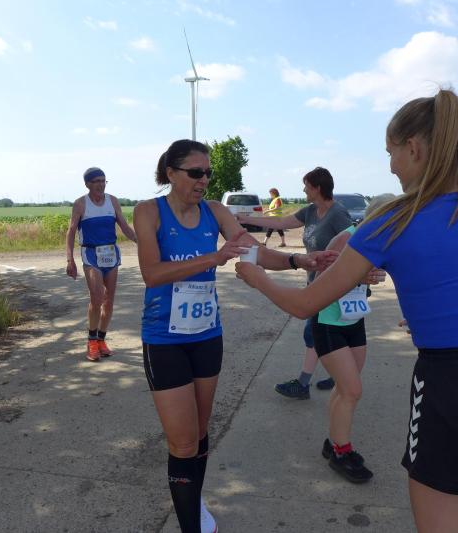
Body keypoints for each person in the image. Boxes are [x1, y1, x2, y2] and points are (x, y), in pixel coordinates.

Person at [236, 89, 458, 532]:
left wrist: (257, 277)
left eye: (390, 153)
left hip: (450, 388)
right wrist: (456, 323)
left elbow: (305, 303)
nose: (390, 166)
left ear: (414, 148)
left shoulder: (391, 220)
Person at [134, 140, 335, 533]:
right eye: (196, 172)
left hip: (207, 335)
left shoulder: (215, 211)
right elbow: (152, 273)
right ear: (171, 173)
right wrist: (214, 257)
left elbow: (252, 251)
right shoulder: (149, 212)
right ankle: (190, 523)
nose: (204, 180)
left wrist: (299, 260)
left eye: (208, 173)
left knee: (200, 432)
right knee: (183, 442)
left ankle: (193, 497)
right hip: (164, 339)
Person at [238, 167, 353, 399]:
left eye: (306, 186)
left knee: (315, 333)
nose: (303, 190)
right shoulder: (310, 211)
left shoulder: (338, 213)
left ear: (318, 188)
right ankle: (339, 373)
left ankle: (304, 383)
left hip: (332, 285)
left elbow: (353, 246)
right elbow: (282, 222)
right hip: (314, 281)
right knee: (327, 332)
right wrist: (245, 219)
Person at [315, 195, 393, 484]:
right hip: (328, 321)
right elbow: (321, 276)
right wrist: (360, 278)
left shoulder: (379, 239)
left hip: (354, 319)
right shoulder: (347, 237)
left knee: (345, 388)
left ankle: (333, 441)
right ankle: (341, 452)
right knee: (352, 390)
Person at [66, 167, 137, 361]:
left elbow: (124, 226)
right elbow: (71, 232)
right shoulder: (81, 204)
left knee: (109, 300)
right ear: (87, 184)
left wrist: (141, 242)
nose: (101, 184)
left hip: (111, 253)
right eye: (96, 181)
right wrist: (70, 259)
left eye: (103, 180)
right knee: (97, 298)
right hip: (91, 253)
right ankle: (91, 342)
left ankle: (101, 340)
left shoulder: (112, 201)